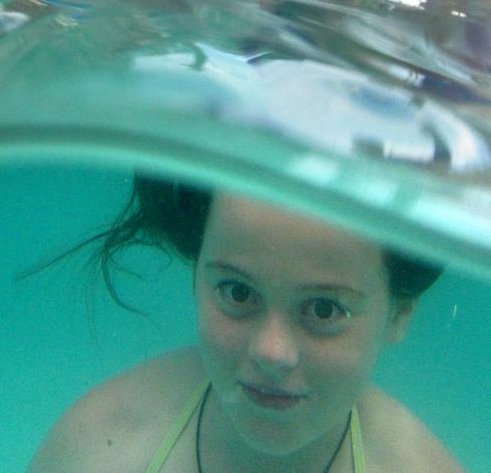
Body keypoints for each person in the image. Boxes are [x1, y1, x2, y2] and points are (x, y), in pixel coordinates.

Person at [28, 178, 466, 472]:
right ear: (196, 275)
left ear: (398, 313)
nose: (271, 352)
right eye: (238, 293)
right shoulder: (96, 449)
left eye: (325, 310)